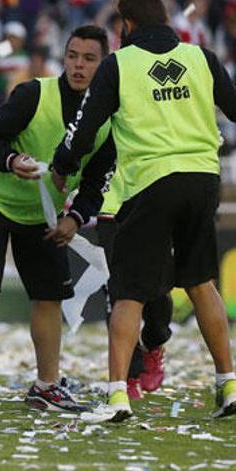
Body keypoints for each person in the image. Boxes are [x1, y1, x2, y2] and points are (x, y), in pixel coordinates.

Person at [51, 0, 236, 421]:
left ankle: (117, 395)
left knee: (129, 292)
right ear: (167, 20)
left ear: (126, 25)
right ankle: (228, 385)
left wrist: (62, 164)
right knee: (201, 281)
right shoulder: (201, 58)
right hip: (203, 179)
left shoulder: (120, 64)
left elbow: (85, 126)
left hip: (151, 182)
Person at [0, 25, 116, 412]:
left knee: (49, 295)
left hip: (43, 213)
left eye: (89, 59)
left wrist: (76, 218)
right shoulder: (34, 94)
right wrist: (11, 160)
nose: (78, 66)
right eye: (72, 56)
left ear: (105, 64)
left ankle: (46, 386)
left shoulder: (108, 119)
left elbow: (97, 180)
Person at [97, 169, 172, 400]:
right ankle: (127, 376)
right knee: (117, 293)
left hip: (151, 201)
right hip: (108, 211)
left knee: (157, 291)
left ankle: (154, 342)